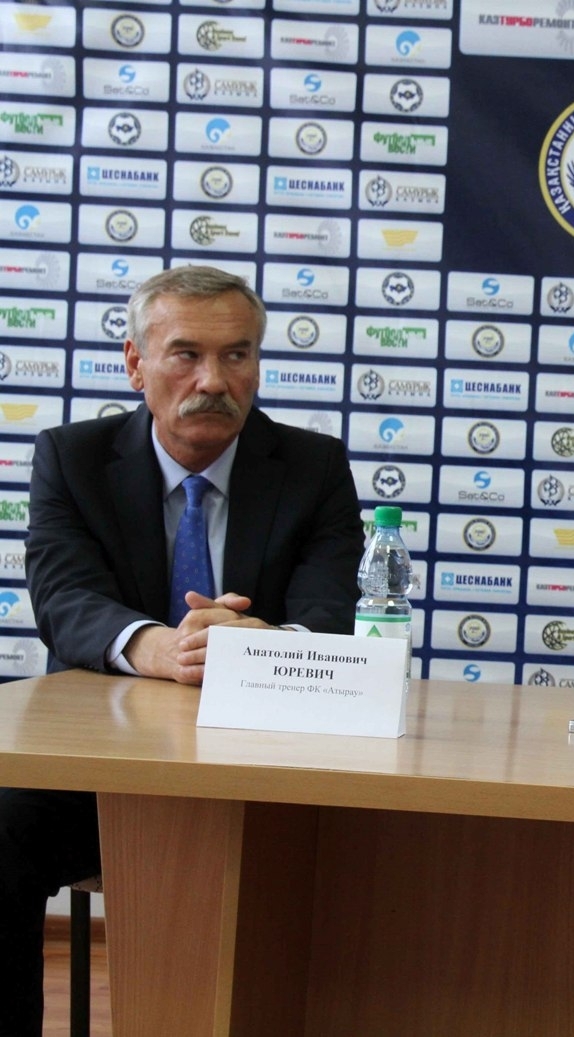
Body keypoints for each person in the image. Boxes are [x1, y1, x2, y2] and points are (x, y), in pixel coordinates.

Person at [6, 265, 362, 1035]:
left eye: (237, 355)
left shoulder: (314, 467)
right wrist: (159, 646)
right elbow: (65, 602)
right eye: (186, 355)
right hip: (100, 778)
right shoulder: (72, 457)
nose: (214, 381)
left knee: (374, 846)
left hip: (269, 780)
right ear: (136, 364)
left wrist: (264, 647)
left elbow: (327, 617)